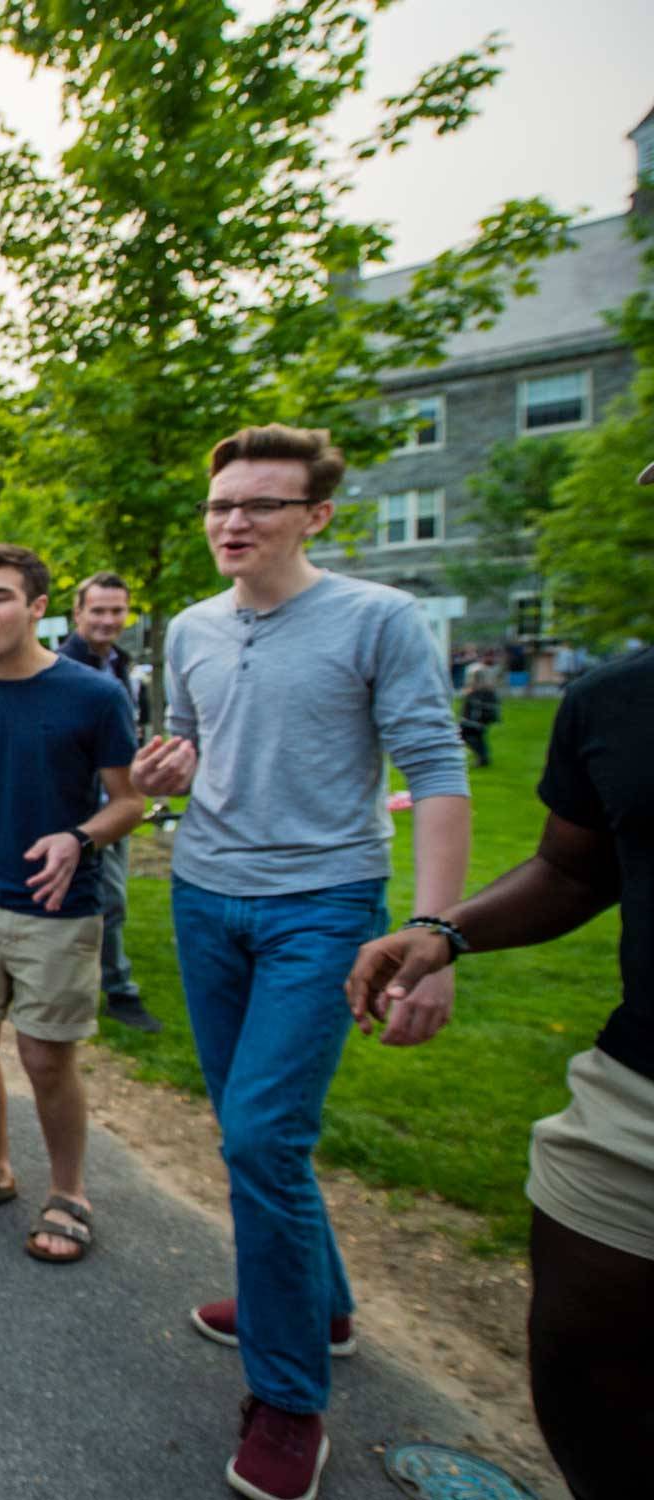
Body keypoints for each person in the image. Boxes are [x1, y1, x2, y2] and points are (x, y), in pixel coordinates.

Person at [131, 425, 470, 1500]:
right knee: (250, 1128)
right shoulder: (187, 626)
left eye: (260, 506)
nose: (232, 523)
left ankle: (287, 1400)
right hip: (203, 896)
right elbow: (178, 751)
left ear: (315, 515)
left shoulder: (377, 619)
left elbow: (435, 771)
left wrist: (433, 938)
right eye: (219, 505)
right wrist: (161, 768)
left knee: (262, 1139)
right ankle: (314, 1308)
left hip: (321, 908)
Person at [342, 459, 654, 1500]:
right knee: (580, 1364)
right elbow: (573, 866)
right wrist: (441, 932)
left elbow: (433, 765)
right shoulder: (616, 701)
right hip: (636, 1093)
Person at [0, 544, 141, 1267]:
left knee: (47, 1058)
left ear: (38, 608)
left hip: (60, 906)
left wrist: (81, 837)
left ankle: (70, 1190)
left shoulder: (94, 696)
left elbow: (131, 801)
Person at [59, 570, 161, 1034]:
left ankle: (112, 985)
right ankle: (113, 988)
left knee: (110, 899)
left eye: (116, 610)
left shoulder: (121, 666)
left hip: (111, 804)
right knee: (99, 899)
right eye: (97, 610)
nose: (107, 620)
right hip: (75, 807)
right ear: (77, 613)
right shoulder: (62, 670)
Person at [458, 663, 501, 769]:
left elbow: (474, 708)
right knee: (477, 738)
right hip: (478, 720)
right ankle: (483, 758)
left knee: (468, 736)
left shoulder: (479, 692)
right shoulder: (487, 691)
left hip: (474, 720)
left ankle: (482, 757)